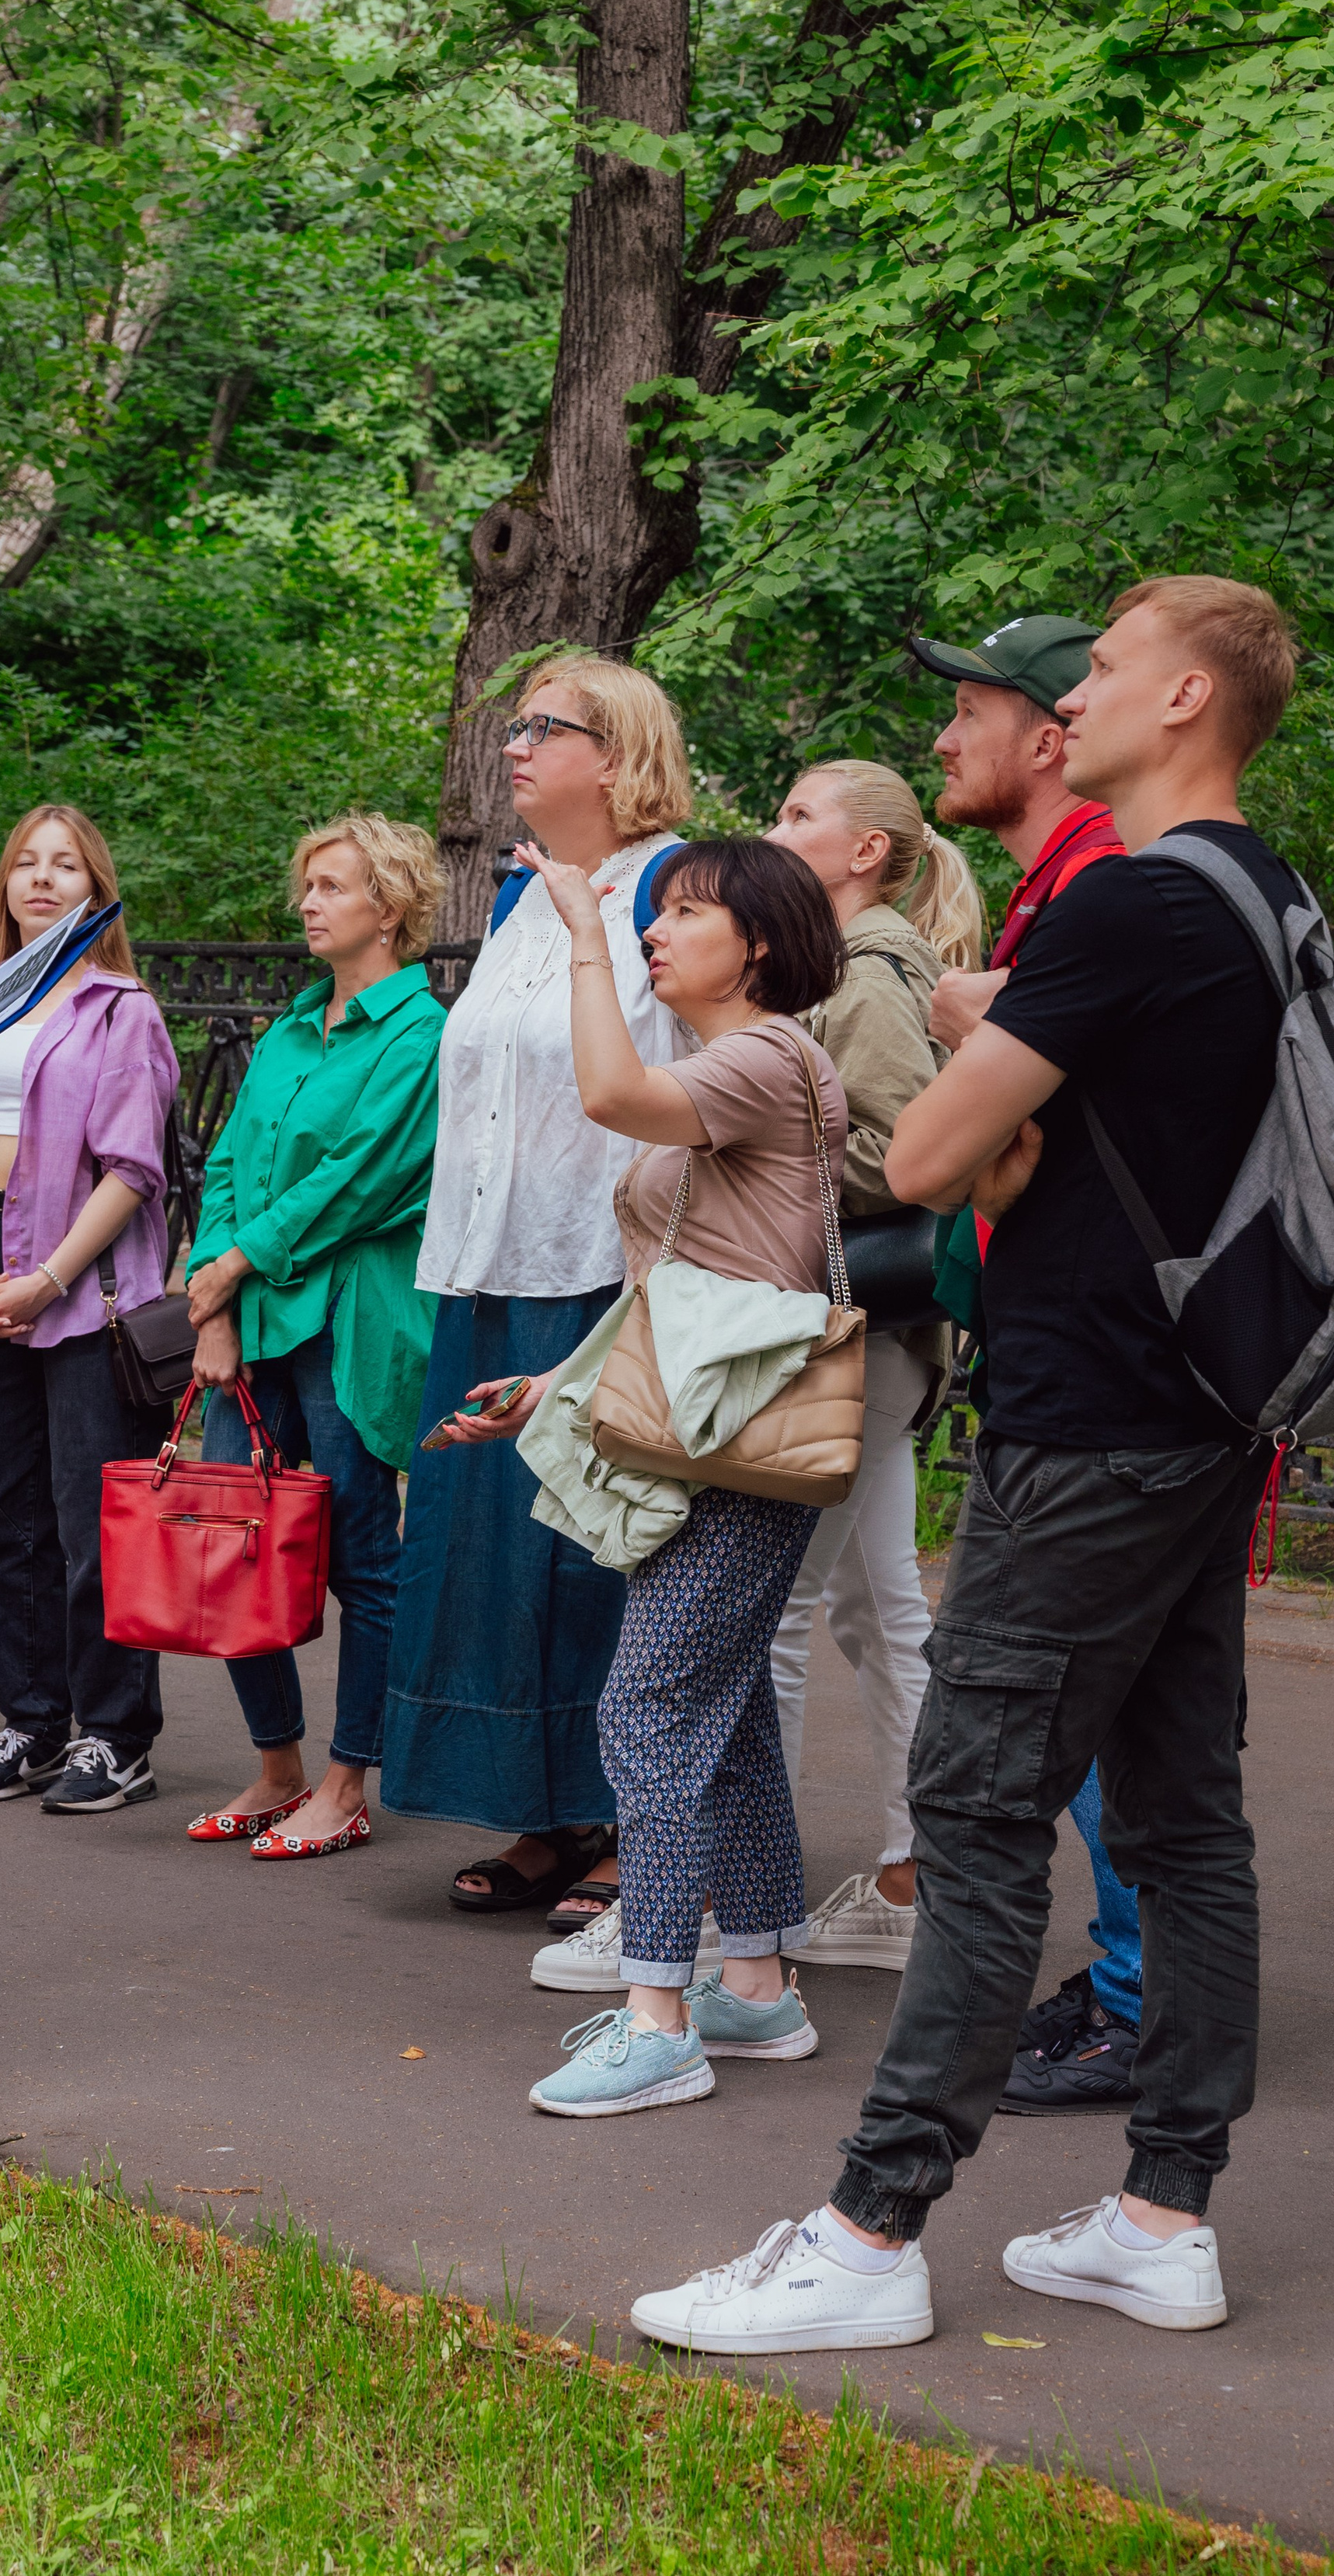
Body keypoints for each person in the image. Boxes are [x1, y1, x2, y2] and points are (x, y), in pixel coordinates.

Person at [632, 574, 1302, 2353]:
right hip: (1205, 1409)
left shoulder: (1132, 900)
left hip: (1081, 1421)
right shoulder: (1266, 896)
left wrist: (967, 1038)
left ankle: (867, 2230)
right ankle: (1163, 2213)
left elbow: (926, 1159)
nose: (1070, 699)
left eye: (1102, 669)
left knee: (978, 1806)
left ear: (1185, 698)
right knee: (1181, 1815)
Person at [444, 838, 852, 2114]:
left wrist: (580, 927)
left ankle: (659, 2013)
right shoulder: (734, 1068)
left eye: (685, 913)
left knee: (649, 1710)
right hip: (702, 1424)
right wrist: (558, 1385)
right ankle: (759, 1987)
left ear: (761, 942)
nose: (653, 933)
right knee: (725, 1716)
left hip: (740, 1440)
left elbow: (607, 1093)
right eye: (649, 914)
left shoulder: (767, 1057)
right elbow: (674, 1286)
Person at [381, 654, 692, 1916]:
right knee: (494, 1554)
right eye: (512, 728)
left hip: (600, 1267)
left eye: (542, 728)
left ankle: (628, 1817)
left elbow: (711, 1066)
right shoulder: (520, 895)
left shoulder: (674, 885)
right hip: (489, 1266)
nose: (512, 747)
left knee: (592, 1553)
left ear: (616, 756)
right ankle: (545, 1813)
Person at [914, 612, 1146, 2105]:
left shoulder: (1105, 885)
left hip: (1103, 1380)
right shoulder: (1052, 887)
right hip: (1070, 1357)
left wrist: (977, 1027)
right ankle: (1135, 1982)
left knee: (1066, 1708)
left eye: (972, 711)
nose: (945, 737)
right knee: (1119, 1711)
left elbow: (966, 1154)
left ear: (1052, 734)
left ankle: (1138, 1999)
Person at [182, 814, 446, 1860]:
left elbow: (364, 1177)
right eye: (309, 885)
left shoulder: (419, 1032)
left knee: (361, 1558)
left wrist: (238, 1263)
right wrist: (214, 1302)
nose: (309, 902)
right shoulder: (291, 1027)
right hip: (252, 1322)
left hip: (350, 1319)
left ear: (390, 905)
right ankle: (278, 1766)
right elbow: (227, 1165)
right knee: (231, 1545)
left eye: (333, 885)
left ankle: (346, 1782)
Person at [0, 806, 182, 1817]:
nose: (40, 877)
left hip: (84, 1292)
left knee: (94, 1525)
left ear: (95, 889)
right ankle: (32, 1719)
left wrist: (48, 1279)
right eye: (25, 861)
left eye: (65, 864)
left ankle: (115, 1735)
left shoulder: (121, 1010)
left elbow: (133, 1170)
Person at [761, 761, 984, 1969]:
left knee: (775, 1607)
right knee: (872, 1600)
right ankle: (914, 1876)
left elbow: (909, 1155)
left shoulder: (867, 969)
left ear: (866, 853)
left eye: (801, 813)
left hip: (851, 1326)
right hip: (869, 1329)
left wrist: (749, 1143)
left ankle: (732, 1906)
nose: (774, 826)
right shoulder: (850, 966)